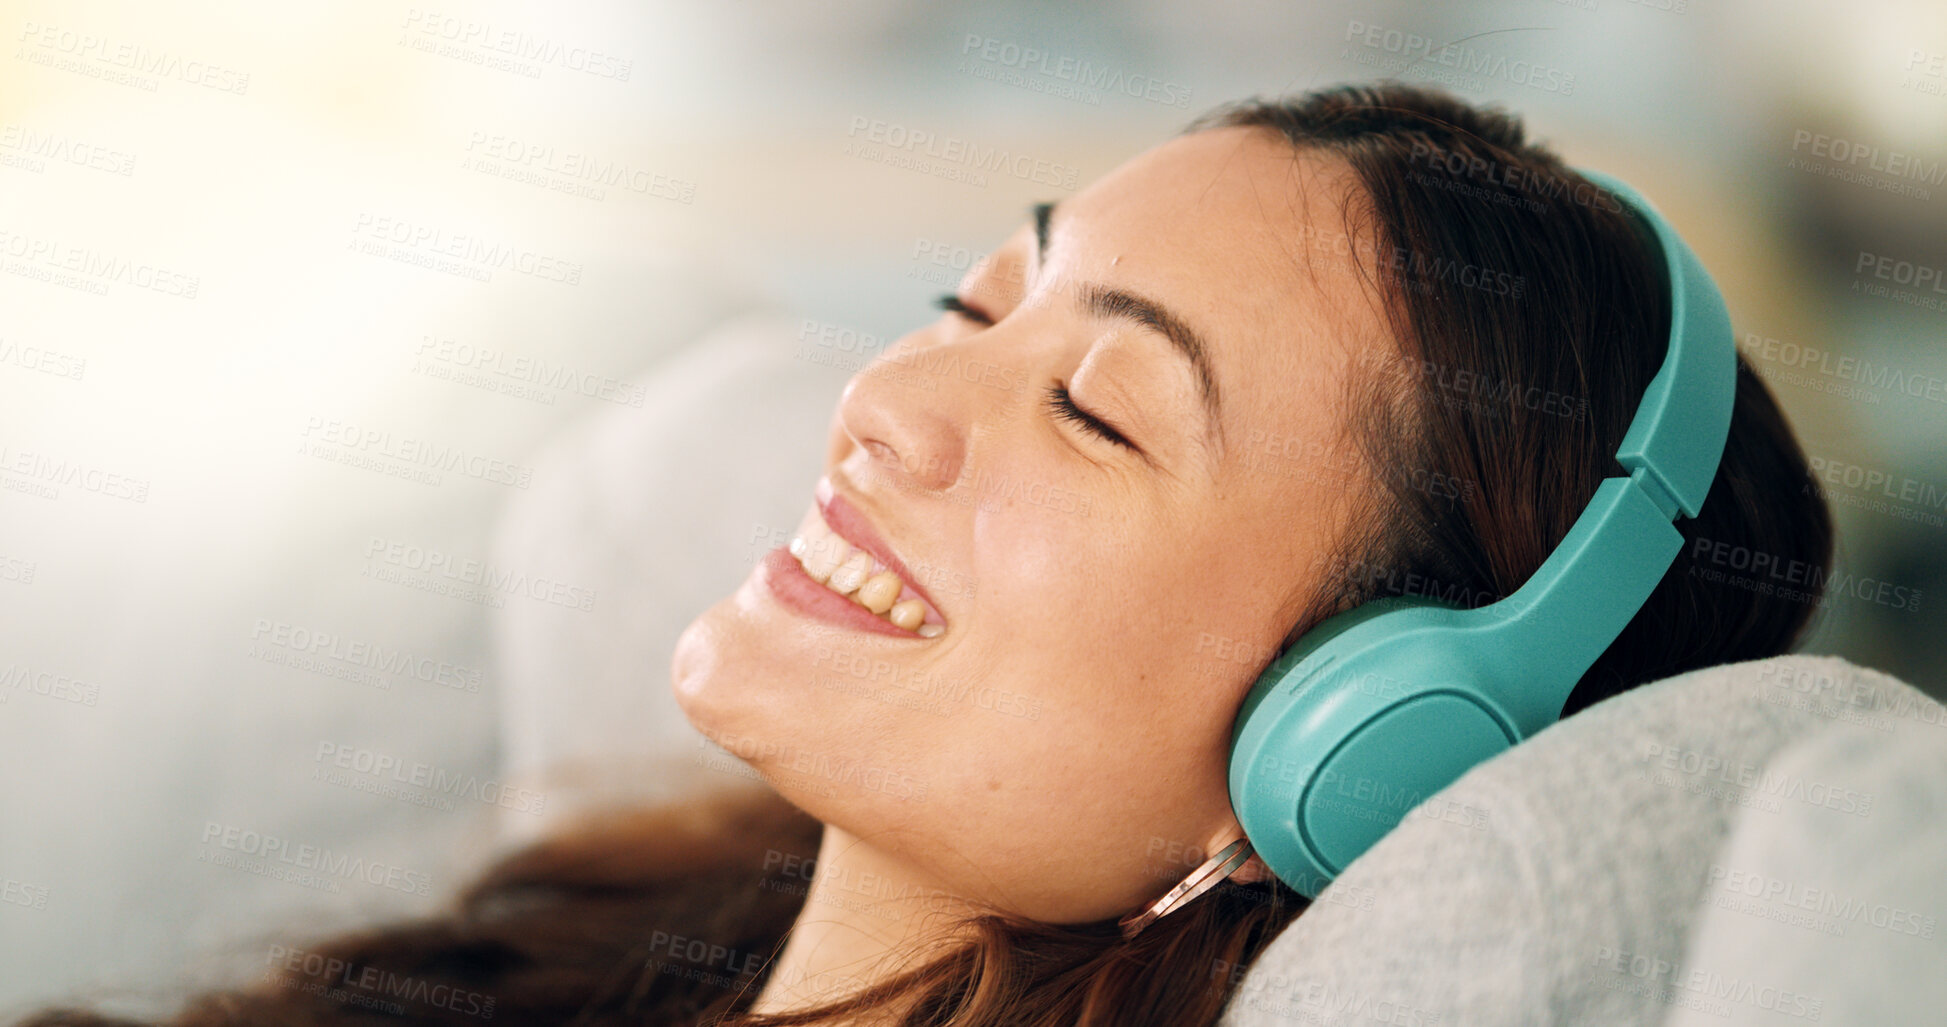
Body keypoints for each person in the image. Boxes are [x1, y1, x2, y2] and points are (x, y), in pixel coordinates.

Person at [19, 81, 1831, 1027]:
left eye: (1101, 411)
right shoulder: (568, 921)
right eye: (975, 299)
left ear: (1364, 743)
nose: (889, 397)